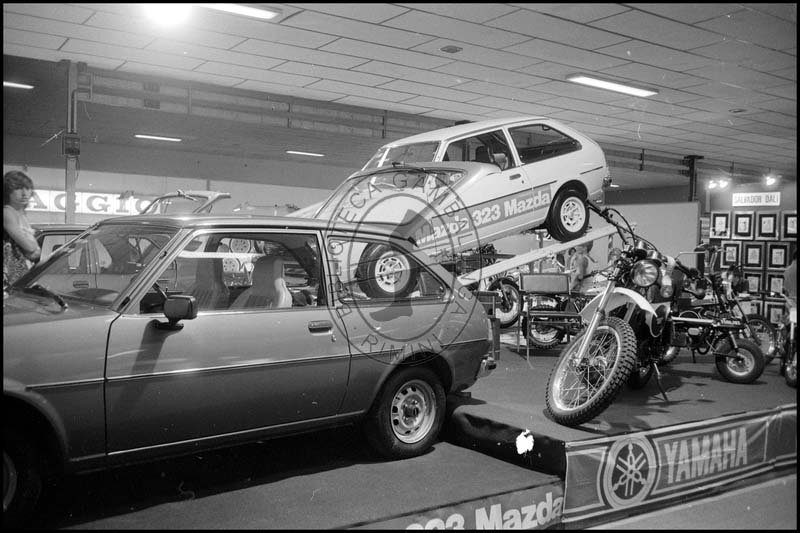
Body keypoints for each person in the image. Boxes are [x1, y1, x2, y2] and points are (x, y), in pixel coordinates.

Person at [4, 170, 40, 285]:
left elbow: (35, 252)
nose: (24, 193)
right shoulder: (7, 212)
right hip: (10, 276)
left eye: (27, 188)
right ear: (8, 191)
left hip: (18, 274)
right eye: (18, 188)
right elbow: (30, 248)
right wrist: (33, 247)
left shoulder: (20, 214)